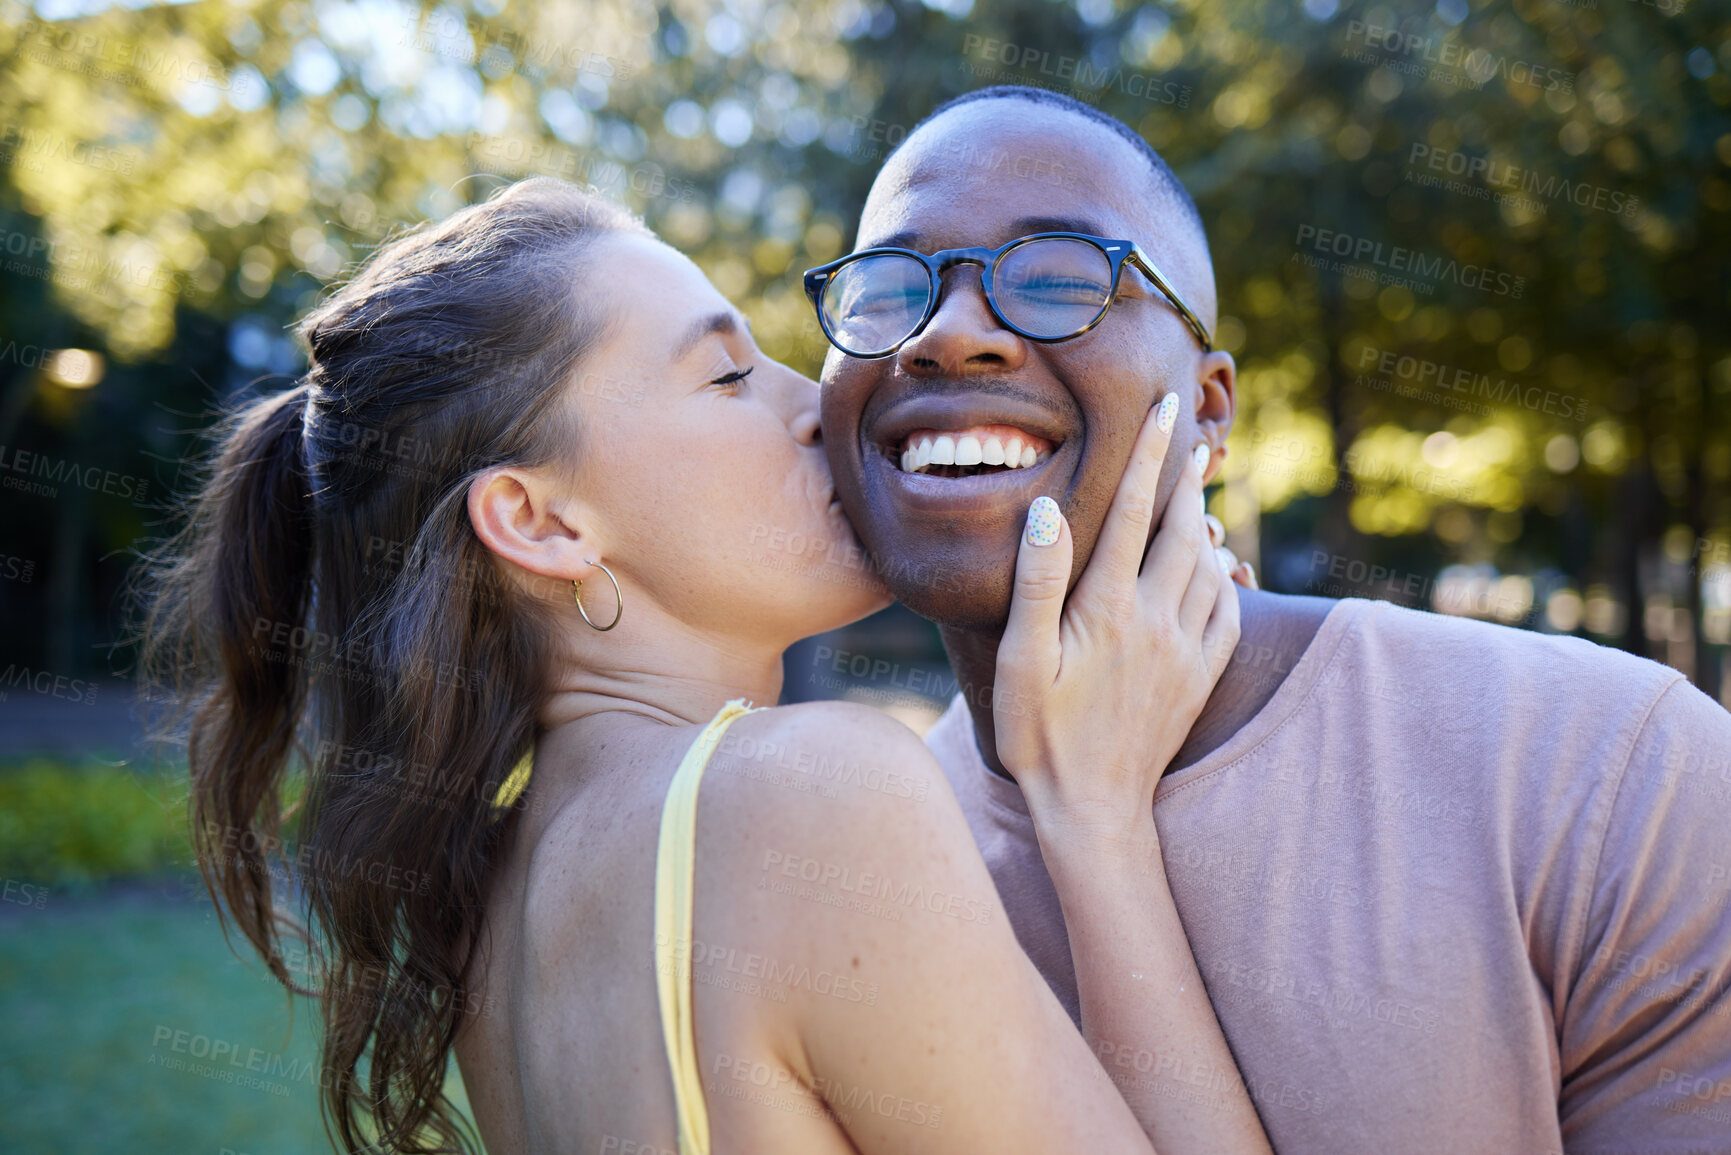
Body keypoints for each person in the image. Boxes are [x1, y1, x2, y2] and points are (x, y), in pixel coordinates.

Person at [138, 177, 1271, 1154]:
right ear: (540, 523)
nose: (817, 403)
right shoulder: (802, 798)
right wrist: (1099, 816)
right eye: (728, 376)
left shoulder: (499, 902)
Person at [811, 84, 1731, 1154]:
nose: (946, 334)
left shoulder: (1617, 770)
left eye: (1059, 276)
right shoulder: (854, 885)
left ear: (1210, 408)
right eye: (886, 290)